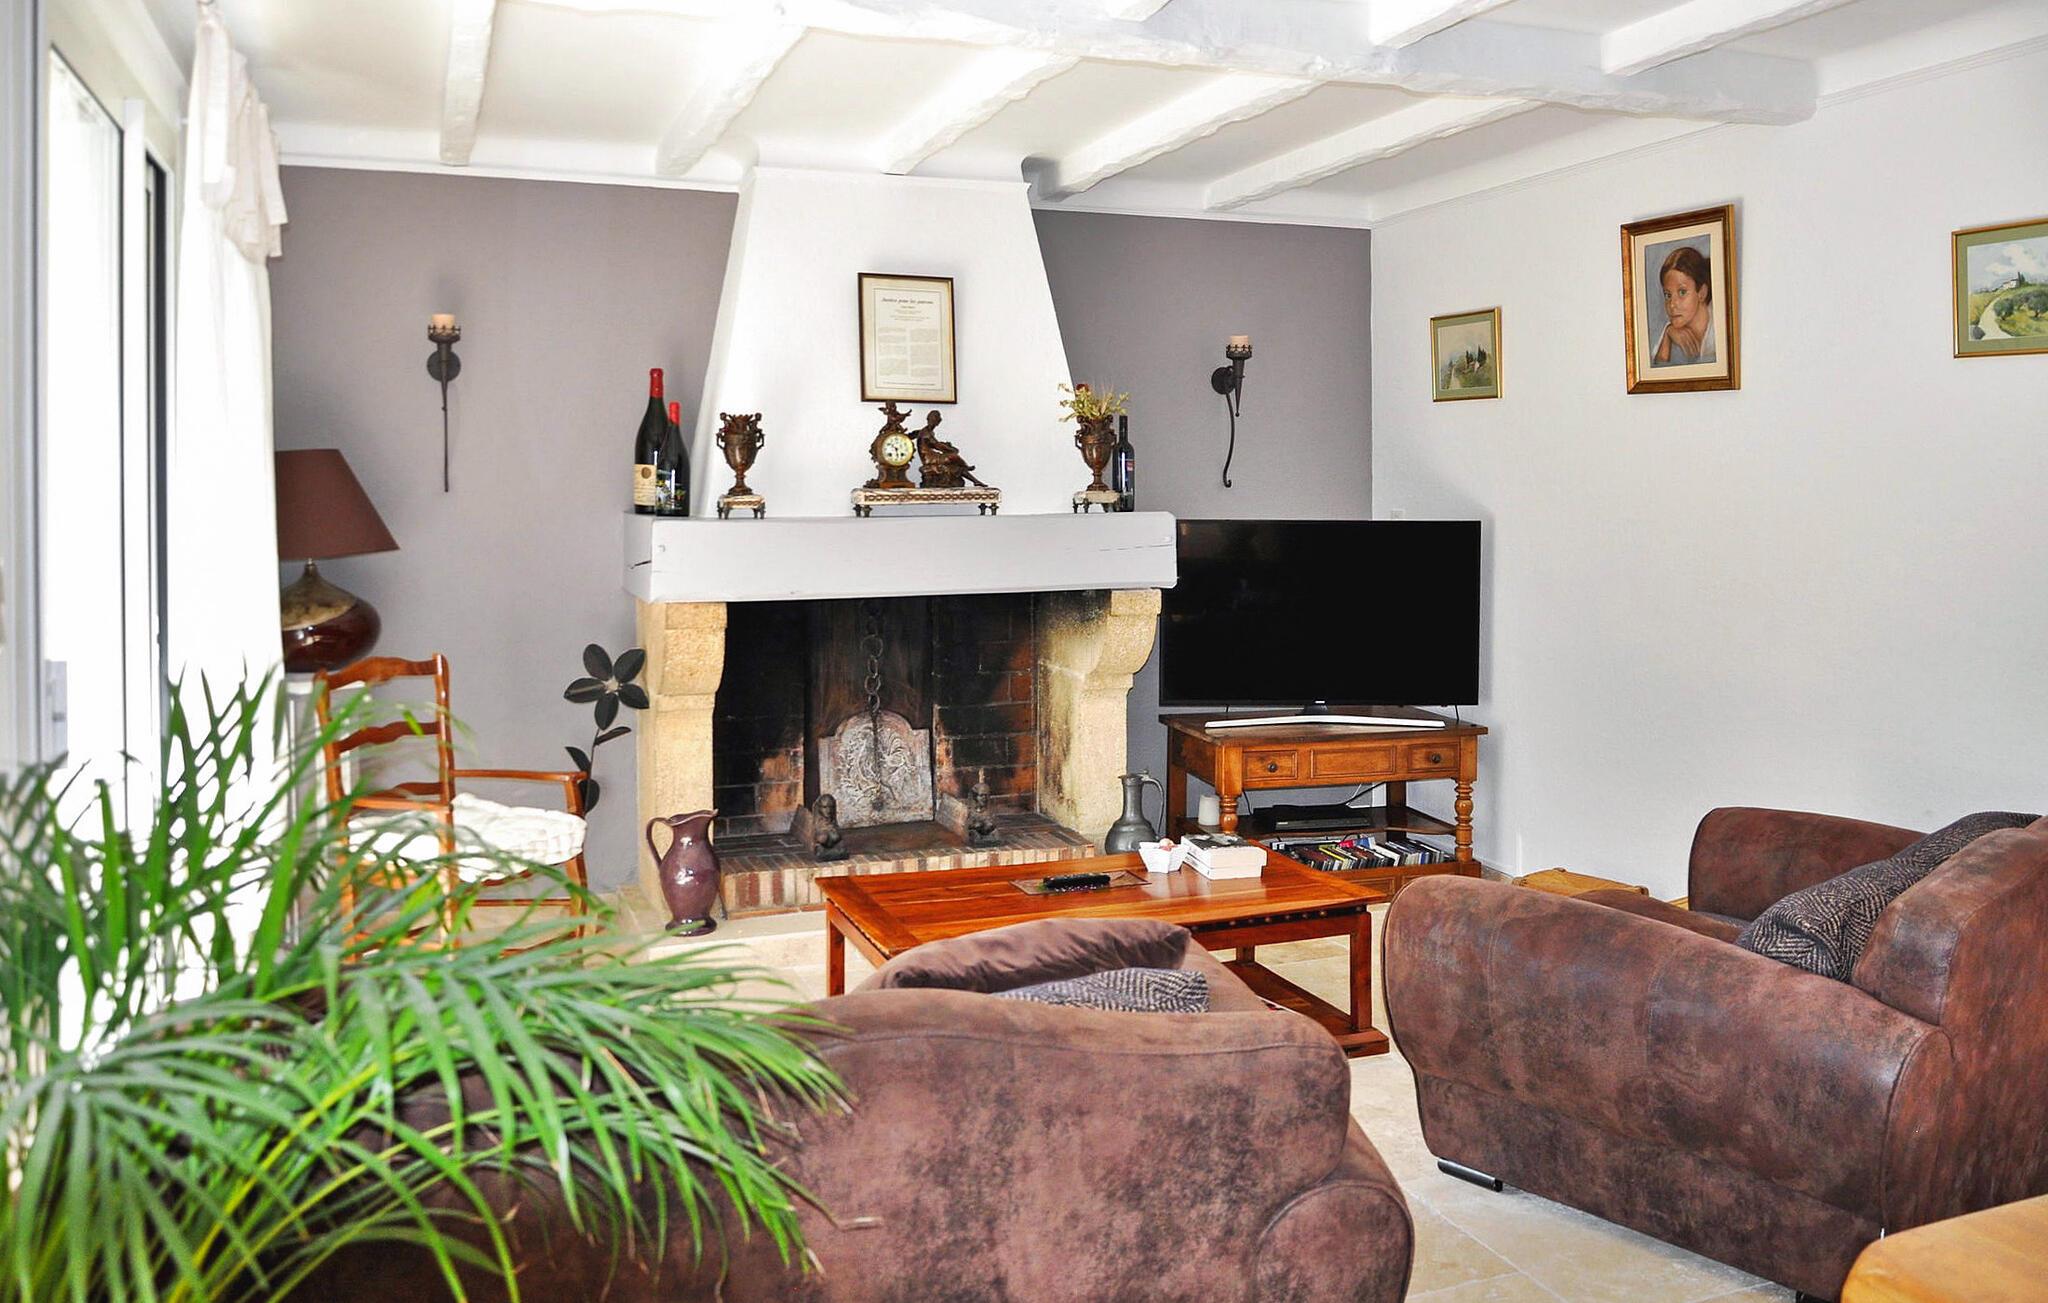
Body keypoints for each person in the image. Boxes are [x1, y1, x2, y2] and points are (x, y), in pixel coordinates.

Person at [1652, 245, 1715, 366]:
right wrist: (1667, 334)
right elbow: (1656, 368)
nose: (1672, 304)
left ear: (1702, 293)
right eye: (1668, 295)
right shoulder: (1672, 329)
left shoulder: (1718, 333)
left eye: (1682, 292)